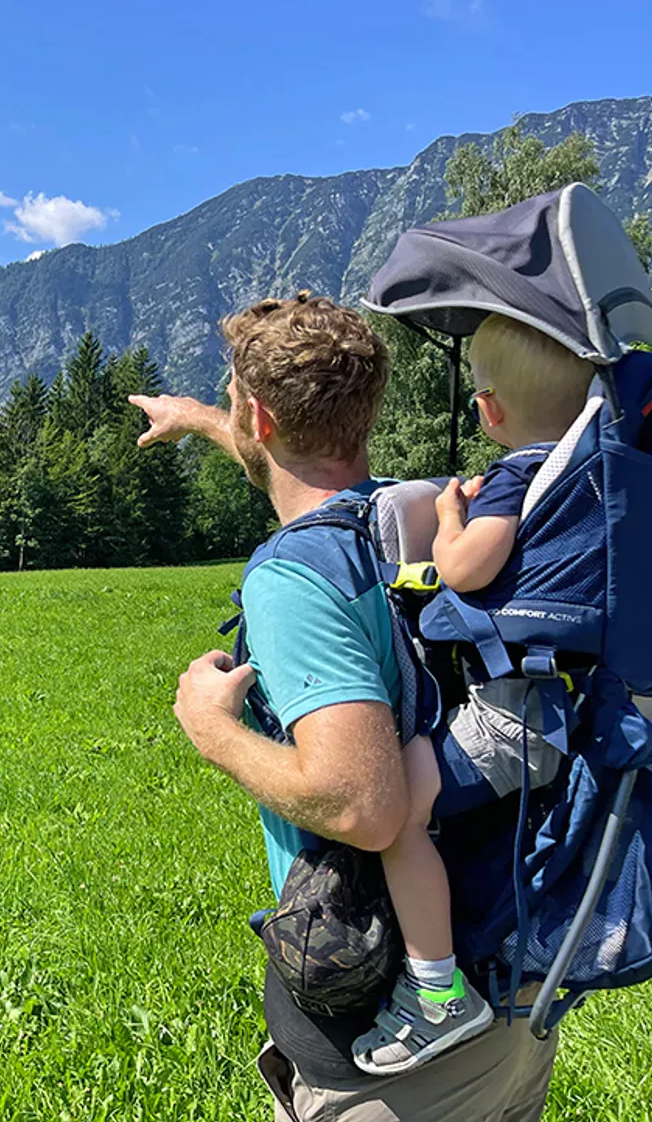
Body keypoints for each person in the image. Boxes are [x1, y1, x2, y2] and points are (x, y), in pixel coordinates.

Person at [130, 293, 558, 1122]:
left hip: (397, 1049)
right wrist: (197, 418)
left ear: (260, 414)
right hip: (507, 971)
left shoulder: (292, 580)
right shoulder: (415, 512)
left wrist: (213, 731)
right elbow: (305, 477)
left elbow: (364, 804)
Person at [349, 312, 593, 1076]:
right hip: (561, 712)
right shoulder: (592, 468)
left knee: (396, 811)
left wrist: (454, 516)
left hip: (511, 722)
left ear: (487, 409)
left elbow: (465, 569)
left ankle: (437, 993)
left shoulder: (522, 473)